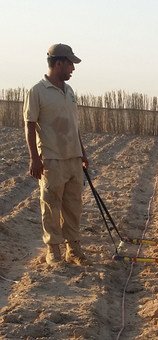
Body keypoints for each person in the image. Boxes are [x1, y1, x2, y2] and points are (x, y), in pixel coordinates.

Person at [23, 43, 90, 265]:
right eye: (70, 64)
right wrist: (34, 157)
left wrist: (82, 152)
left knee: (73, 205)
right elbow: (30, 125)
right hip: (51, 159)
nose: (73, 68)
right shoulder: (37, 91)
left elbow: (74, 124)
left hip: (73, 158)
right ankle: (53, 249)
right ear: (58, 63)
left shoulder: (69, 91)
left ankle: (73, 247)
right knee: (51, 204)